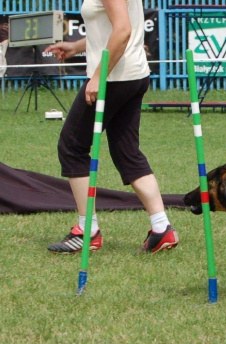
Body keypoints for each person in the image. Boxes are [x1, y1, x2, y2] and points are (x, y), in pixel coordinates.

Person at [44, 0, 179, 254]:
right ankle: (162, 228)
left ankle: (87, 231)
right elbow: (110, 29)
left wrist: (98, 76)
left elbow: (123, 31)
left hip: (115, 78)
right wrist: (76, 46)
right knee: (127, 151)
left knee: (72, 146)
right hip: (132, 75)